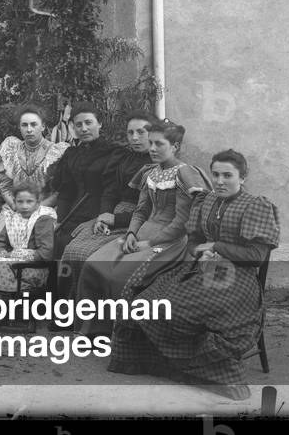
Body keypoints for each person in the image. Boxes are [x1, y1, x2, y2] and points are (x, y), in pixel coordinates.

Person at [108, 149, 280, 400]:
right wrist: (200, 251)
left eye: (228, 175)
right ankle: (162, 363)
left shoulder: (256, 205)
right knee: (145, 298)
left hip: (238, 280)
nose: (220, 181)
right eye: (216, 174)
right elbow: (194, 240)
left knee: (181, 309)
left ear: (242, 177)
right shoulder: (208, 201)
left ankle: (208, 373)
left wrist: (217, 247)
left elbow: (256, 255)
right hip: (202, 270)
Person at [74, 120, 207, 336]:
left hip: (170, 243)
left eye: (159, 144)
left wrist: (150, 243)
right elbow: (141, 211)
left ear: (175, 147)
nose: (152, 149)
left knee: (119, 276)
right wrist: (131, 234)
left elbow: (181, 223)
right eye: (151, 143)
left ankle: (122, 335)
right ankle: (93, 329)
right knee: (92, 265)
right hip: (142, 233)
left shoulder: (185, 174)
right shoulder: (149, 173)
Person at [58, 111, 156, 299]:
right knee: (72, 249)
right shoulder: (124, 158)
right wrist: (103, 216)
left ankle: (93, 314)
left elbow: (151, 209)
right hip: (113, 215)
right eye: (130, 133)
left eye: (141, 132)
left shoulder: (158, 164)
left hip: (137, 222)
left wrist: (116, 219)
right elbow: (110, 192)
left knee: (90, 255)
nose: (134, 138)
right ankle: (69, 309)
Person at [43, 103, 132, 261]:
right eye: (78, 125)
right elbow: (66, 192)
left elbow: (110, 192)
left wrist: (99, 219)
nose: (83, 129)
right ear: (74, 128)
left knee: (70, 246)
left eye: (88, 123)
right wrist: (60, 221)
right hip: (71, 216)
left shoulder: (114, 154)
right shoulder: (72, 154)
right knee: (52, 241)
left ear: (99, 124)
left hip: (99, 215)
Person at [0, 103, 69, 255]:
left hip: (45, 208)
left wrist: (36, 209)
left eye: (34, 124)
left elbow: (60, 190)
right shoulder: (10, 149)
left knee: (41, 241)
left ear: (43, 127)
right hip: (16, 207)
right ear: (19, 127)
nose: (29, 129)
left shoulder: (57, 152)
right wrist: (16, 206)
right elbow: (5, 185)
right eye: (24, 125)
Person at [0, 183, 56, 320]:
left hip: (33, 267)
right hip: (14, 261)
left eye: (29, 201)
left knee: (3, 266)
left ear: (38, 202)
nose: (24, 206)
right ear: (14, 202)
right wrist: (2, 251)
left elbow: (46, 252)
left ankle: (4, 310)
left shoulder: (43, 219)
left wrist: (25, 256)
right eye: (20, 202)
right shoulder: (13, 219)